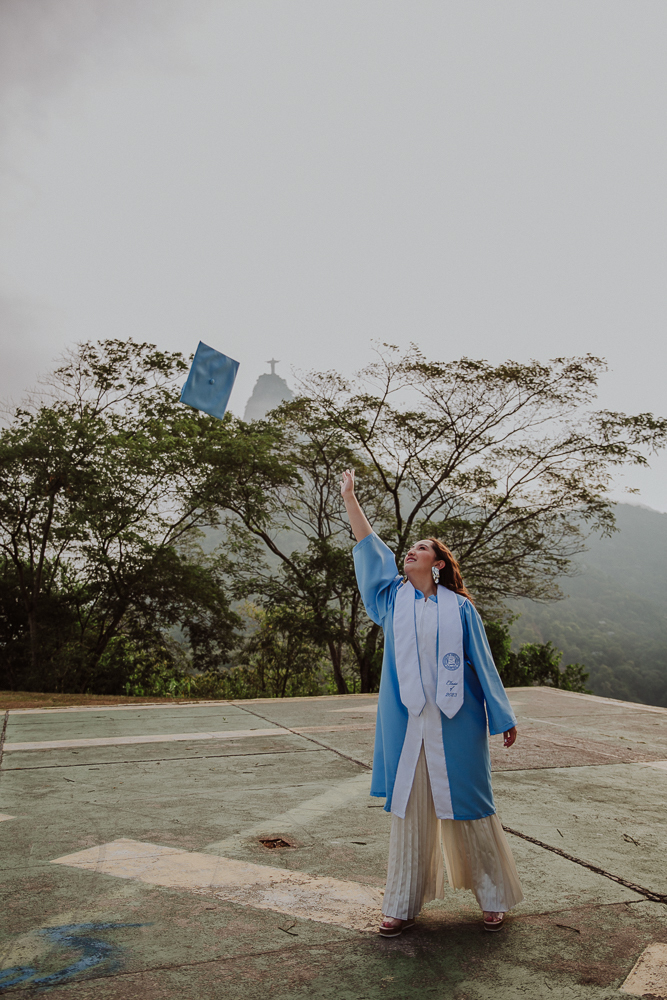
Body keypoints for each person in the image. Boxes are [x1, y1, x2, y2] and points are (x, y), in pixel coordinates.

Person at [340, 469, 523, 936]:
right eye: (410, 548)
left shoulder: (459, 607)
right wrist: (350, 499)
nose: (411, 551)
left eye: (421, 548)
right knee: (409, 810)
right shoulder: (390, 600)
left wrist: (502, 715)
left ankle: (493, 898)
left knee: (471, 806)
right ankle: (401, 903)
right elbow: (369, 549)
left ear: (437, 563)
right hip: (407, 722)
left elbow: (482, 663)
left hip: (457, 720)